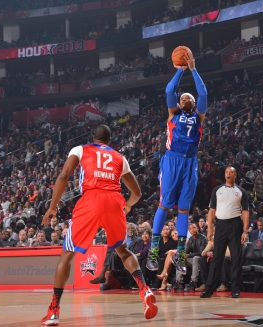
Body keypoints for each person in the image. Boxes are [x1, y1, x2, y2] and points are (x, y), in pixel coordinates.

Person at [40, 125, 157, 326]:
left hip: (91, 199)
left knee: (67, 254)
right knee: (123, 250)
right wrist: (127, 205)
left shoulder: (81, 149)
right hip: (114, 200)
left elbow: (63, 175)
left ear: (93, 138)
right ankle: (144, 289)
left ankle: (54, 310)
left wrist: (52, 206)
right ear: (109, 141)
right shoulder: (120, 158)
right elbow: (137, 192)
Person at [146, 49, 208, 274]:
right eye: (183, 98)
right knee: (164, 203)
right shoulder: (173, 113)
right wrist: (181, 71)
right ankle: (153, 252)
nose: (184, 98)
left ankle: (180, 255)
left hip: (190, 162)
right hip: (172, 161)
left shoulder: (198, 116)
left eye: (188, 98)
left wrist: (194, 70)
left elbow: (203, 94)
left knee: (184, 209)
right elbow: (169, 89)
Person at [200, 166, 249, 299]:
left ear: (235, 175)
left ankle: (235, 288)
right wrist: (210, 228)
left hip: (235, 225)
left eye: (231, 172)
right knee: (217, 257)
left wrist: (245, 231)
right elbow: (211, 211)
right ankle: (209, 289)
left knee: (236, 258)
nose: (228, 174)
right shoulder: (217, 190)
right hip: (220, 225)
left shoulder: (241, 191)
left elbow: (245, 212)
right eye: (227, 172)